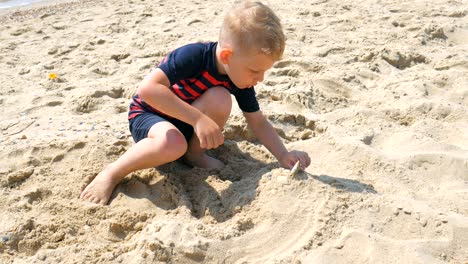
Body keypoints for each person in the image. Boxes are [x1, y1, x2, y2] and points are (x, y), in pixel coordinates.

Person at [80, 0, 311, 205]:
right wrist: (198, 119)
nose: (259, 79)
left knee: (220, 98)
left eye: (263, 72)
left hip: (187, 125)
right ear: (227, 57)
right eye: (255, 71)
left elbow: (257, 122)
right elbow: (148, 90)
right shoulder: (192, 56)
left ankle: (194, 154)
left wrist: (283, 155)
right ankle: (112, 172)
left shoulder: (240, 79)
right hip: (151, 116)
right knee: (172, 143)